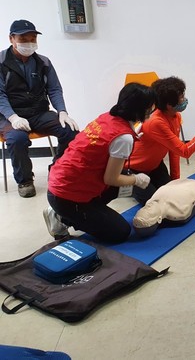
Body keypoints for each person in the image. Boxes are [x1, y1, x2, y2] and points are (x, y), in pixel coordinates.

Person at [44, 83, 156, 243]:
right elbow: (111, 179)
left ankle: (76, 211)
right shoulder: (123, 138)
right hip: (66, 195)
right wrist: (137, 179)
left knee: (129, 184)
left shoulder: (107, 117)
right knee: (120, 232)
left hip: (62, 178)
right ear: (139, 109)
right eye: (149, 107)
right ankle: (61, 217)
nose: (151, 110)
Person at [0, 20, 78, 197]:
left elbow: (54, 88)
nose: (29, 42)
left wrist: (62, 112)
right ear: (11, 38)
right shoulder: (1, 62)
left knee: (70, 131)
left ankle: (57, 169)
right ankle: (25, 181)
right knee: (17, 139)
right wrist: (13, 117)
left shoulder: (43, 62)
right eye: (23, 38)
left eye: (32, 38)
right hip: (9, 115)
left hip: (38, 112)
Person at [128, 76, 195, 205]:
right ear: (169, 105)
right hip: (133, 169)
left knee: (171, 196)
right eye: (181, 97)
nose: (184, 99)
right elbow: (185, 151)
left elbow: (174, 151)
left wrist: (175, 181)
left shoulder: (175, 116)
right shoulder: (156, 122)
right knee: (156, 202)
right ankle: (124, 186)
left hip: (154, 165)